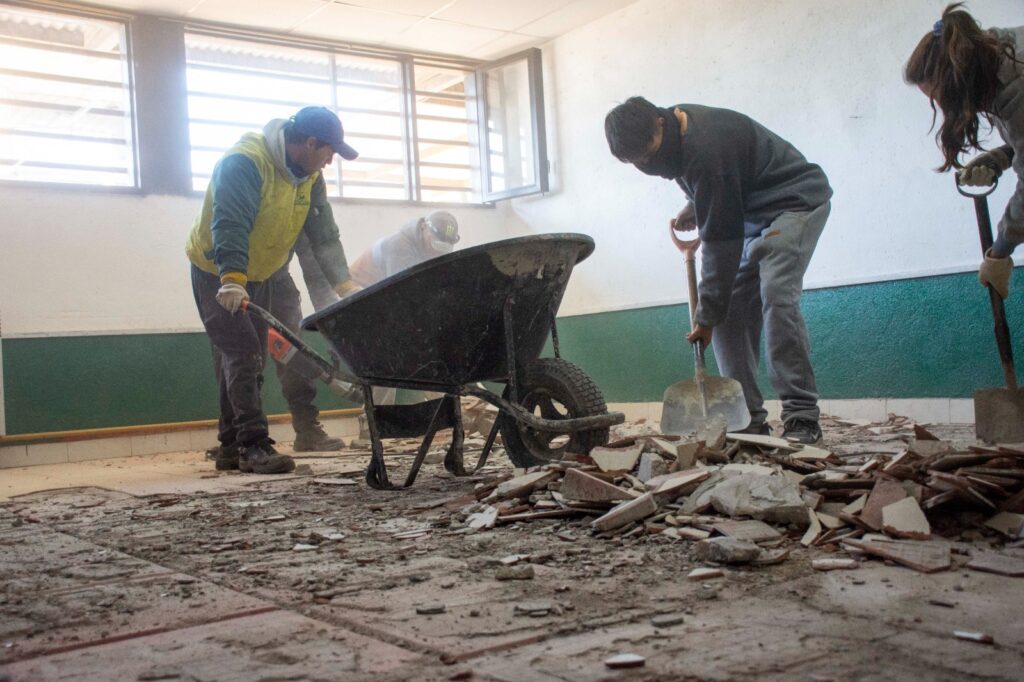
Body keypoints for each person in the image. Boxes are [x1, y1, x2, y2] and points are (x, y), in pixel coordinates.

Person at [605, 97, 833, 444]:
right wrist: (697, 203)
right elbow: (720, 188)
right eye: (640, 162)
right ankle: (749, 420)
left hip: (793, 202)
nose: (650, 164)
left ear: (659, 123)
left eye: (650, 153)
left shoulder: (708, 145)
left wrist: (705, 316)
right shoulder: (679, 131)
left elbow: (722, 241)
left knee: (775, 293)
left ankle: (801, 416)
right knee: (727, 308)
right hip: (752, 213)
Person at [187, 106, 360, 474]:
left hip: (264, 271)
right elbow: (230, 223)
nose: (331, 161)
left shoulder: (309, 175)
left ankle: (231, 446)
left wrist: (344, 284)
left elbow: (323, 232)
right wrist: (232, 278)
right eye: (329, 151)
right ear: (310, 143)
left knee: (248, 354)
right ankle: (253, 447)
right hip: (217, 271)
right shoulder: (246, 163)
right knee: (244, 351)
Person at [904, 3, 1023, 299]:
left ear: (960, 84)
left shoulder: (1017, 83)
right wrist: (1000, 158)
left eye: (941, 99)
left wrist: (1000, 252)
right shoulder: (997, 56)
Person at [348, 210, 460, 287]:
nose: (438, 252)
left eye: (445, 248)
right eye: (437, 244)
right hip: (357, 292)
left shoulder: (425, 246)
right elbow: (401, 290)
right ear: (423, 227)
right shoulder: (399, 247)